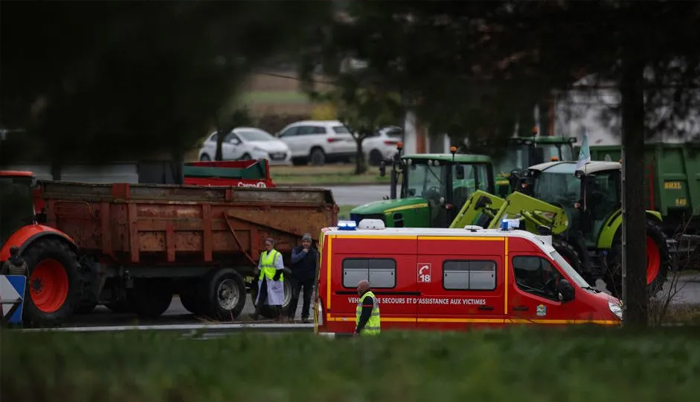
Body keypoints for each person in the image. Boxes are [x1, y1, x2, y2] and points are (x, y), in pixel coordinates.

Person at [249, 238, 285, 321]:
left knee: (276, 298)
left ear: (272, 245)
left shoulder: (277, 255)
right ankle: (256, 314)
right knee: (262, 296)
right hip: (265, 279)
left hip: (274, 280)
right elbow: (261, 267)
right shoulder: (263, 254)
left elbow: (280, 268)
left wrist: (275, 278)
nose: (266, 246)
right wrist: (258, 276)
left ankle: (279, 315)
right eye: (265, 245)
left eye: (268, 245)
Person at [287, 233, 318, 323]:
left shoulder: (314, 253)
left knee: (307, 298)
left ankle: (305, 317)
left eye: (307, 241)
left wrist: (315, 280)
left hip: (308, 279)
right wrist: (303, 253)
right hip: (297, 278)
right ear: (301, 242)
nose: (305, 243)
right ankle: (291, 316)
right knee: (294, 297)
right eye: (304, 241)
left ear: (310, 243)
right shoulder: (296, 250)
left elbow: (317, 267)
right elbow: (294, 259)